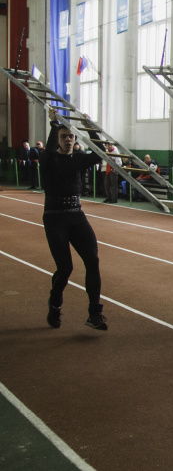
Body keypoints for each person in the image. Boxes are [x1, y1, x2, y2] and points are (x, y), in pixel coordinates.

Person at [40, 107, 108, 330]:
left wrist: (91, 129)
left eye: (70, 136)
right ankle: (55, 304)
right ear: (57, 139)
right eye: (63, 136)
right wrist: (53, 124)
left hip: (76, 216)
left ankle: (94, 313)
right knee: (65, 268)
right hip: (54, 218)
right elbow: (49, 151)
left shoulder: (78, 159)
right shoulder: (48, 159)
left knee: (93, 260)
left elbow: (100, 154)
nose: (68, 140)